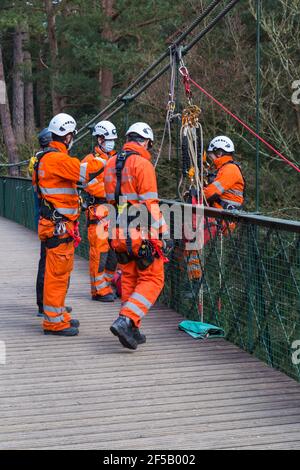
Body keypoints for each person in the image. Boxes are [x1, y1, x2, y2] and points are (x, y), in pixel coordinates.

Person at [32, 113, 105, 336]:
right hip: (58, 226)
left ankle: (59, 314)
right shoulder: (57, 159)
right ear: (67, 136)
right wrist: (107, 159)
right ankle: (54, 322)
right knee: (57, 274)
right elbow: (85, 172)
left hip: (58, 225)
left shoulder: (47, 158)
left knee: (61, 273)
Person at [104, 122, 171, 350]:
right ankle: (126, 319)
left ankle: (131, 328)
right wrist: (164, 232)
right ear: (145, 141)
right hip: (139, 232)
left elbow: (111, 201)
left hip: (116, 231)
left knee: (130, 277)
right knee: (153, 279)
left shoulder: (110, 163)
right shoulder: (142, 164)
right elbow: (149, 204)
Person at [81, 120, 118, 302]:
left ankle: (107, 284)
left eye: (112, 139)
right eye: (107, 139)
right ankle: (98, 290)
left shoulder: (116, 159)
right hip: (98, 212)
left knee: (114, 252)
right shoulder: (89, 161)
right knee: (99, 252)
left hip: (114, 211)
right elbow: (89, 186)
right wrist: (112, 191)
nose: (110, 142)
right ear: (99, 139)